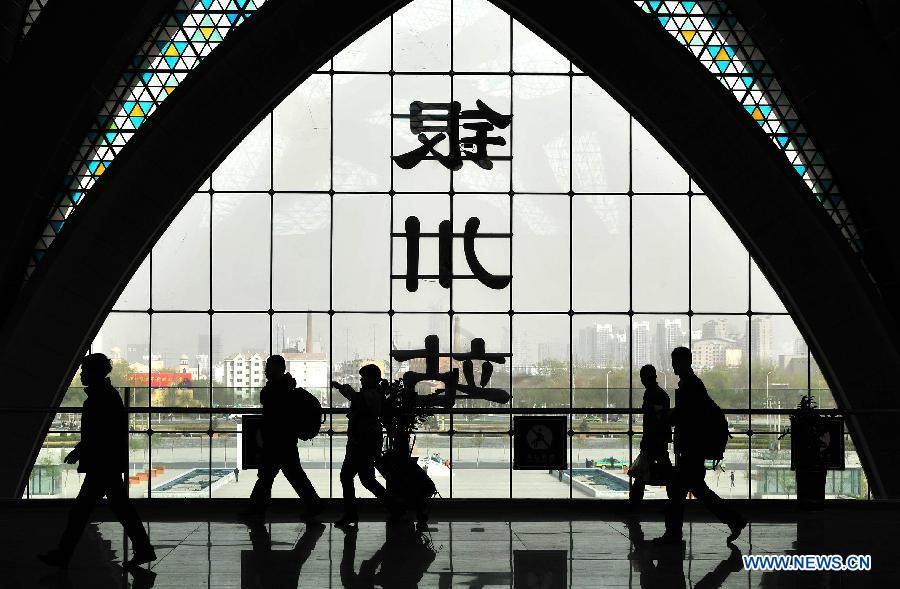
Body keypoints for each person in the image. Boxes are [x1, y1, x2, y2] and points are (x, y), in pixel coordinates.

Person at [38, 353, 156, 568]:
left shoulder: (99, 398)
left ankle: (63, 555)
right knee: (119, 508)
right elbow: (102, 433)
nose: (82, 375)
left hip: (101, 464)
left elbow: (97, 434)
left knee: (81, 512)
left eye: (85, 371)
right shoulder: (106, 395)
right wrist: (81, 451)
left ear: (94, 372)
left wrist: (79, 451)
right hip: (107, 462)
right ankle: (144, 549)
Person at [654, 347, 747, 545]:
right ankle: (733, 519)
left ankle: (673, 534)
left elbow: (687, 415)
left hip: (692, 448)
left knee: (679, 489)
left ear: (686, 362)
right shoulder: (692, 384)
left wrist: (666, 417)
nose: (673, 366)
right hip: (694, 447)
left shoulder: (690, 386)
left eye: (676, 362)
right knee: (694, 489)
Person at [241, 355, 323, 520]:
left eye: (268, 367)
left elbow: (268, 402)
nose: (265, 371)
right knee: (289, 476)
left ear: (277, 369)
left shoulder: (278, 388)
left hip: (277, 440)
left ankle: (257, 509)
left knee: (268, 476)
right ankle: (314, 505)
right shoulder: (286, 387)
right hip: (284, 440)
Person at [331, 364, 389, 528]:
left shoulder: (371, 395)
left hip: (361, 443)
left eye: (364, 377)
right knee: (366, 479)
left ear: (372, 378)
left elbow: (358, 401)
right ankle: (393, 507)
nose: (362, 380)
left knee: (348, 476)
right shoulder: (376, 394)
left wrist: (342, 388)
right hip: (366, 441)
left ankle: (351, 513)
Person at [629, 364, 671, 507]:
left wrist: (647, 439)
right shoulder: (660, 394)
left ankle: (634, 504)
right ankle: (675, 501)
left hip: (653, 440)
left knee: (641, 474)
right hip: (658, 440)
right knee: (666, 472)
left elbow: (654, 420)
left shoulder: (652, 394)